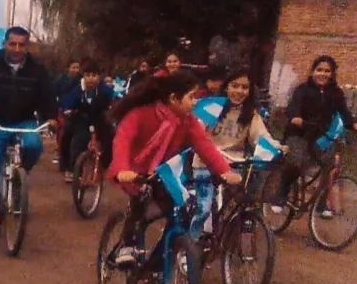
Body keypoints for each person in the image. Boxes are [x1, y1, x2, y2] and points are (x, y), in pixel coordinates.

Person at [108, 72, 240, 265]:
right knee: (142, 199)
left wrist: (224, 171)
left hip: (163, 171)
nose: (196, 102)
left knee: (180, 206)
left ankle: (162, 256)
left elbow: (204, 146)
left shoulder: (188, 121)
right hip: (133, 171)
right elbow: (122, 141)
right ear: (173, 98)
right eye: (191, 97)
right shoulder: (141, 113)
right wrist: (122, 169)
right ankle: (127, 244)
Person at [0, 26, 57, 233]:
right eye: (12, 43)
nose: (16, 48)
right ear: (5, 43)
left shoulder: (37, 69)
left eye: (21, 44)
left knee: (34, 147)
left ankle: (19, 179)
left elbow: (48, 97)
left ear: (27, 46)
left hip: (23, 121)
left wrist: (51, 118)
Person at [189, 67, 281, 239]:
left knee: (236, 208)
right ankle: (191, 245)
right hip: (205, 163)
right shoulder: (212, 107)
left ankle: (227, 245)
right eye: (235, 86)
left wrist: (276, 146)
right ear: (226, 87)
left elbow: (261, 136)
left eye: (244, 87)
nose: (239, 91)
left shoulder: (251, 114)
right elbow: (197, 134)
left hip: (234, 167)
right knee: (204, 207)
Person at [272, 55, 357, 217]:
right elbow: (293, 106)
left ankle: (321, 204)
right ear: (313, 71)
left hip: (321, 136)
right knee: (296, 162)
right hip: (299, 134)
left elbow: (343, 112)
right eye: (319, 70)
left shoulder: (336, 92)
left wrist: (353, 124)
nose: (323, 74)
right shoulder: (303, 89)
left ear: (332, 74)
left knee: (330, 168)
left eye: (327, 71)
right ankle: (281, 193)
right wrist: (296, 117)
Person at [59, 58, 114, 183]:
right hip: (81, 119)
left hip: (99, 118)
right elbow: (68, 100)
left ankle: (106, 165)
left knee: (110, 135)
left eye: (94, 76)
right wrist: (68, 109)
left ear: (99, 77)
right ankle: (72, 168)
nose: (91, 79)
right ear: (83, 76)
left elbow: (113, 100)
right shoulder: (77, 88)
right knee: (75, 139)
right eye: (88, 75)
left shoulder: (104, 89)